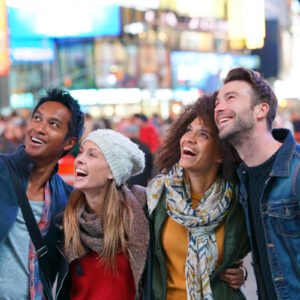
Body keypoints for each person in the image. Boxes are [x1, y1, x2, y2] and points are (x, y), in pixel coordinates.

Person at [145, 94, 249, 300]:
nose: (189, 139)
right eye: (188, 130)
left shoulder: (238, 202)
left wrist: (242, 273)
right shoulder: (157, 195)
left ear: (221, 153)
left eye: (203, 135)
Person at [214, 67, 300, 299]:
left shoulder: (297, 171)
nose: (219, 107)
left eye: (231, 98)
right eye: (217, 102)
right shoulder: (242, 177)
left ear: (261, 110)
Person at [0, 88, 84, 299]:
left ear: (69, 142)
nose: (39, 128)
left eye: (53, 124)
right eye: (37, 119)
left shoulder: (66, 198)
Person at [63, 129, 149, 300]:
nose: (79, 159)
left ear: (112, 172)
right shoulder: (65, 221)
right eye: (80, 153)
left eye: (91, 155)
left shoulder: (141, 215)